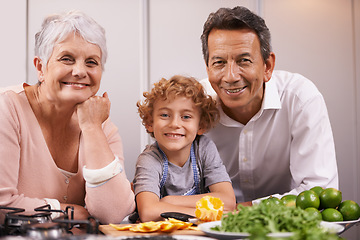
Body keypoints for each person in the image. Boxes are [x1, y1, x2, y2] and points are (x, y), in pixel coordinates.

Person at [0, 10, 135, 224]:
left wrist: (92, 128)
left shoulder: (102, 125)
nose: (80, 71)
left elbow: (113, 214)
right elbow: (2, 205)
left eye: (91, 62)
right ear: (40, 67)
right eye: (67, 59)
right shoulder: (7, 108)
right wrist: (66, 212)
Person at [200, 6, 338, 205]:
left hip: (286, 230)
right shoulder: (193, 104)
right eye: (219, 62)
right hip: (208, 227)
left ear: (267, 66)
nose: (230, 76)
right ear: (207, 67)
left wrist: (242, 212)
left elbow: (320, 192)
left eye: (244, 60)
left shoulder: (300, 98)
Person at [133, 75, 236, 222]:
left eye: (186, 116)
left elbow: (228, 201)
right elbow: (148, 211)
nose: (175, 124)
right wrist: (211, 213)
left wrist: (168, 201)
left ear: (201, 125)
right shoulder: (149, 159)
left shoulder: (204, 148)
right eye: (164, 115)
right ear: (150, 122)